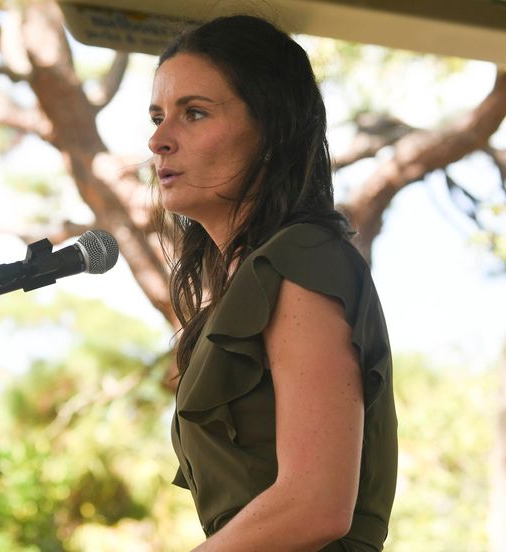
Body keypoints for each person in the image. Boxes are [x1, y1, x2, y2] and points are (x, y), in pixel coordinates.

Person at [148, 15, 398, 551]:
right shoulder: (246, 282)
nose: (159, 139)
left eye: (193, 114)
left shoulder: (300, 260)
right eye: (157, 116)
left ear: (271, 128)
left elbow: (315, 505)